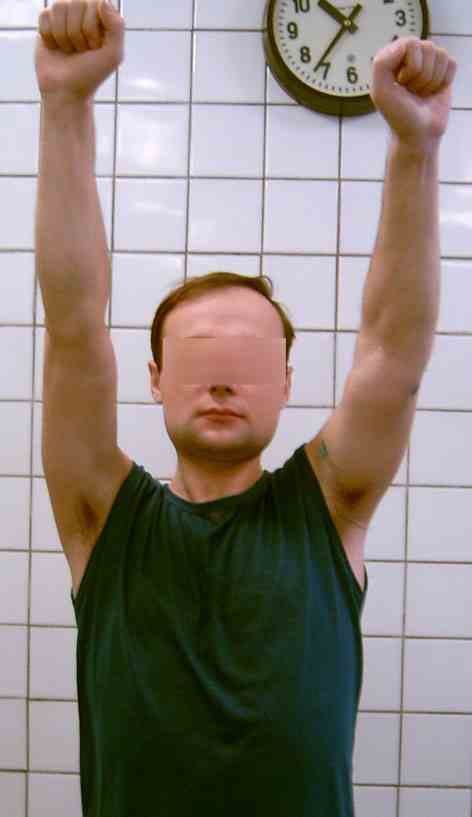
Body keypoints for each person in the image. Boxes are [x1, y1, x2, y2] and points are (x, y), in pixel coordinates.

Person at [34, 2, 457, 816]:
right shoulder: (102, 516)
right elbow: (74, 328)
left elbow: (393, 354)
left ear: (287, 384)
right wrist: (64, 103)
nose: (223, 383)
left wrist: (417, 146)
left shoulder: (328, 507)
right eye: (199, 359)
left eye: (248, 363)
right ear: (155, 378)